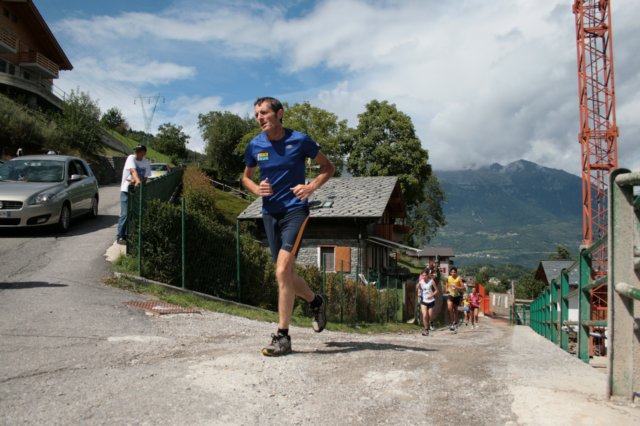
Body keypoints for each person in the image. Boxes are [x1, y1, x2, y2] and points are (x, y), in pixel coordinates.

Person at [242, 97, 335, 357]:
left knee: (282, 270)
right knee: (285, 274)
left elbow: (328, 167)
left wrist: (311, 187)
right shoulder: (255, 145)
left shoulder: (300, 140)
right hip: (270, 214)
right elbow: (246, 177)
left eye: (264, 113)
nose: (259, 118)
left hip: (295, 211)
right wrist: (256, 189)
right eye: (256, 114)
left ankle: (283, 337)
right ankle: (316, 301)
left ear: (280, 113)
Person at [116, 145, 150, 244]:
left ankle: (133, 235)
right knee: (125, 213)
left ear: (144, 153)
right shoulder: (131, 158)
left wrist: (138, 182)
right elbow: (133, 171)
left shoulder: (146, 162)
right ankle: (120, 236)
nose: (136, 152)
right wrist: (137, 181)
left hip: (137, 191)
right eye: (136, 150)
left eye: (139, 151)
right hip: (126, 190)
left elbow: (146, 177)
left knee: (136, 213)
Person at [417, 268, 439, 336]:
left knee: (430, 315)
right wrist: (419, 293)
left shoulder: (431, 281)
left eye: (425, 275)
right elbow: (419, 288)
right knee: (424, 315)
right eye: (423, 275)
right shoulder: (420, 282)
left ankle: (431, 322)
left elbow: (437, 290)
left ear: (428, 275)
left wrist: (432, 295)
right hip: (424, 300)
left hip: (431, 300)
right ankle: (426, 330)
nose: (424, 277)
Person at [446, 267, 465, 332]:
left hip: (457, 296)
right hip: (450, 294)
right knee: (449, 308)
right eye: (452, 272)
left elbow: (463, 288)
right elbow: (447, 283)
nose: (453, 273)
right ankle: (452, 323)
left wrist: (456, 287)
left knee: (455, 310)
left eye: (454, 272)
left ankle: (456, 323)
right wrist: (446, 289)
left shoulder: (459, 278)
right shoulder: (448, 278)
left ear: (456, 273)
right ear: (450, 273)